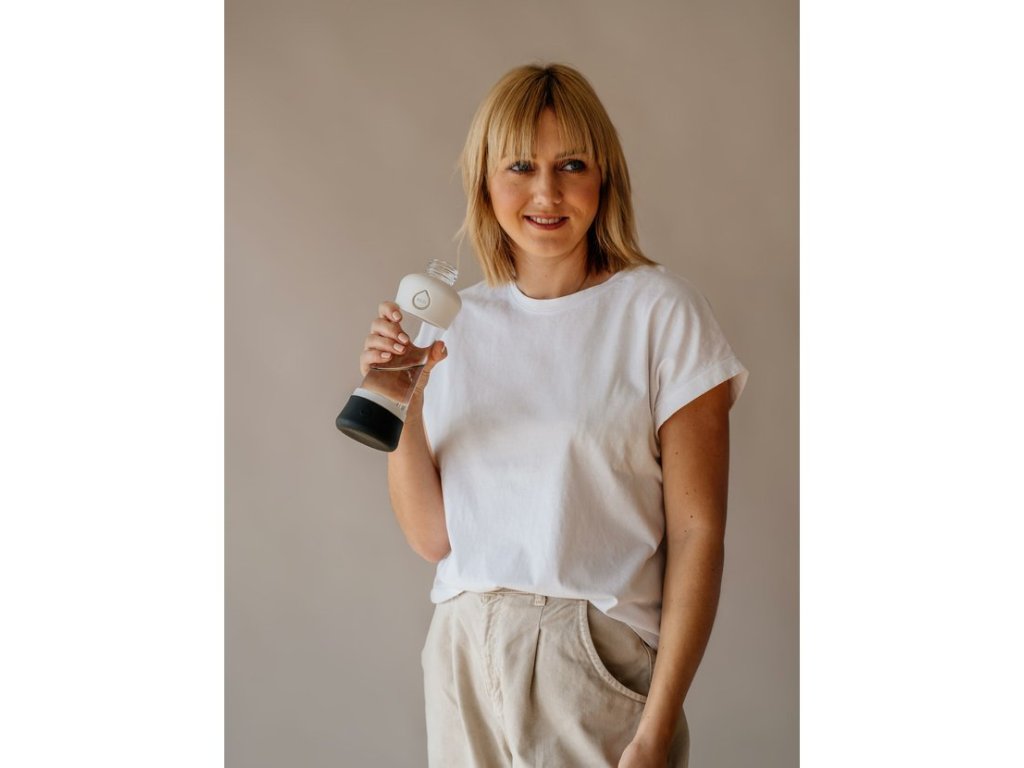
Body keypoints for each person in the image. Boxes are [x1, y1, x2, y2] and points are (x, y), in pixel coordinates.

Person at [358, 63, 748, 767]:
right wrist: (399, 397)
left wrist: (656, 728)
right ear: (484, 180)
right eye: (520, 166)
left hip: (588, 655)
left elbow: (699, 535)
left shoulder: (660, 312)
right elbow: (431, 537)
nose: (546, 192)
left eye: (572, 165)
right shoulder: (453, 323)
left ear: (605, 177)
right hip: (460, 652)